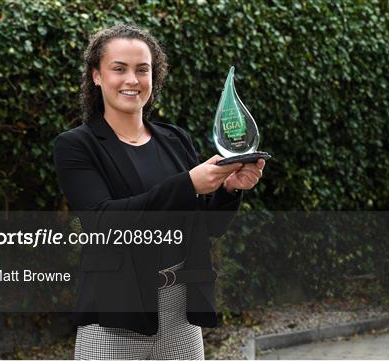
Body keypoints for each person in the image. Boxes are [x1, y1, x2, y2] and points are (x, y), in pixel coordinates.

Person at [53, 24, 265, 360]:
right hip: (115, 315)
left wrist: (228, 189)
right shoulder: (76, 146)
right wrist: (188, 185)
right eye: (119, 69)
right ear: (96, 76)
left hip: (181, 313)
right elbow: (103, 222)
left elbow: (208, 227)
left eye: (142, 69)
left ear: (155, 75)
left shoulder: (175, 139)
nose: (132, 81)